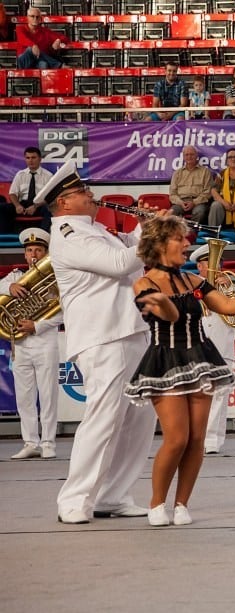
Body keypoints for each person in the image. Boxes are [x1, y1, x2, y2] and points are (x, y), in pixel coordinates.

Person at [124, 217, 235, 526]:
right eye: (179, 239)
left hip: (201, 358)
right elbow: (168, 316)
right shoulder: (144, 284)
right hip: (165, 361)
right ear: (159, 245)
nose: (187, 243)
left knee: (197, 439)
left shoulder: (193, 283)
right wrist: (161, 302)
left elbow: (228, 306)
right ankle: (157, 503)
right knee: (177, 438)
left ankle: (182, 504)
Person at [43, 161, 155, 524]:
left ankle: (113, 494)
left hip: (129, 328)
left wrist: (146, 226)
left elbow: (132, 254)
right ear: (64, 203)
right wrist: (148, 235)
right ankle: (74, 499)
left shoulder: (93, 229)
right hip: (104, 335)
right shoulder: (68, 233)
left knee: (139, 419)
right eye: (81, 192)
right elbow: (123, 263)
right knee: (104, 418)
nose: (91, 195)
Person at [2, 228, 60, 460]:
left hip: (44, 341)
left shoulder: (56, 279)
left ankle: (48, 442)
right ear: (25, 255)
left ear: (46, 254)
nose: (33, 254)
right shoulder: (15, 277)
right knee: (23, 396)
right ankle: (30, 442)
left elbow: (64, 311)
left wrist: (37, 326)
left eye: (38, 250)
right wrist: (8, 288)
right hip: (20, 345)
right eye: (29, 250)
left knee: (48, 394)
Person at [186, 245, 235, 456]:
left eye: (217, 262)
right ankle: (194, 438)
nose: (216, 266)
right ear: (199, 266)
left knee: (219, 394)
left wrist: (230, 291)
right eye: (210, 262)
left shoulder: (231, 286)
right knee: (196, 393)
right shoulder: (189, 286)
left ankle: (213, 440)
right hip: (196, 345)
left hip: (222, 344)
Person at [0, 146, 53, 233]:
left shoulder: (48, 175)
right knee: (2, 208)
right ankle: (5, 236)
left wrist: (35, 206)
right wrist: (17, 205)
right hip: (23, 204)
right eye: (28, 158)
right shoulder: (20, 174)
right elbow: (12, 193)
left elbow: (51, 196)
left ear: (40, 159)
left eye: (33, 157)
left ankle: (42, 236)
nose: (30, 160)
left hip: (40, 205)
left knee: (50, 209)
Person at [169, 146, 214, 224]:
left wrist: (194, 202)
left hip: (198, 202)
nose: (189, 157)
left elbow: (208, 192)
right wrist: (180, 202)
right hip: (181, 202)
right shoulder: (177, 173)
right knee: (171, 213)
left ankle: (192, 234)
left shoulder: (205, 172)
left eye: (192, 154)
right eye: (186, 155)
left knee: (200, 212)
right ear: (183, 157)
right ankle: (178, 234)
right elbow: (172, 194)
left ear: (196, 156)